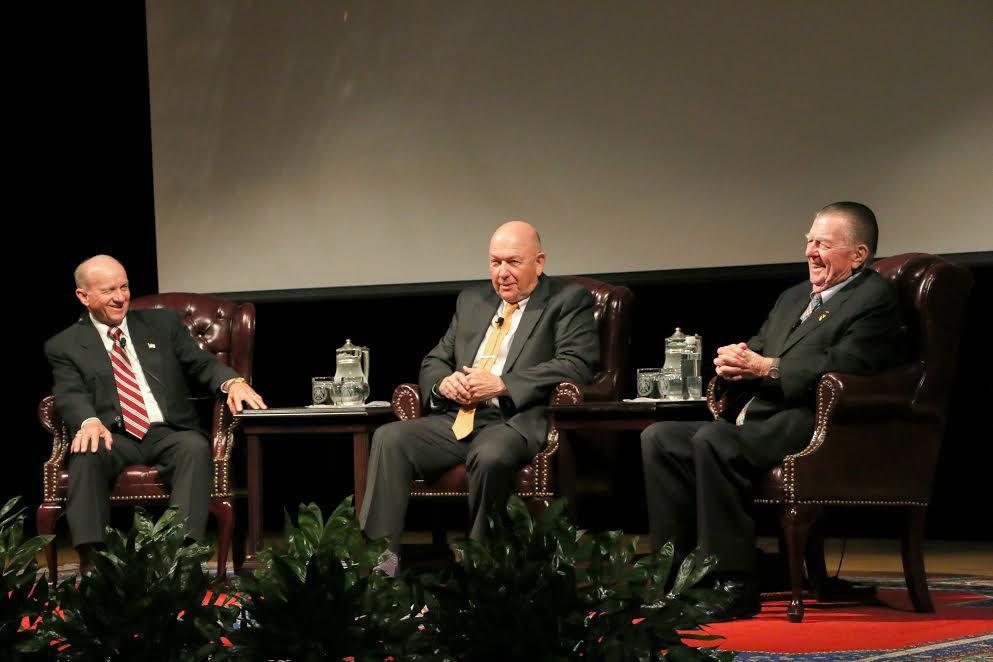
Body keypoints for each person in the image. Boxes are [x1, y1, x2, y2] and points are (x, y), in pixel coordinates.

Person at [640, 201, 905, 620]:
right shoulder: (793, 297)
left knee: (713, 438)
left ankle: (734, 583)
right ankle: (672, 576)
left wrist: (768, 367)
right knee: (660, 437)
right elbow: (759, 346)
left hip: (812, 420)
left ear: (859, 254)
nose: (810, 252)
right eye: (809, 241)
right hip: (761, 415)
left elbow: (848, 364)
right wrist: (735, 362)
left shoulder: (874, 298)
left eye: (823, 243)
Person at [359, 221, 599, 568]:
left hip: (515, 419)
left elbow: (576, 365)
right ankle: (380, 569)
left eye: (513, 262)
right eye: (495, 262)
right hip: (459, 418)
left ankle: (482, 570)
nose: (502, 273)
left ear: (539, 262)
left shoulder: (566, 300)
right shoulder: (472, 300)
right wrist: (444, 383)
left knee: (489, 455)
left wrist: (503, 384)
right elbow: (435, 359)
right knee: (389, 439)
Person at [44, 255, 266, 568]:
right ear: (84, 296)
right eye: (109, 291)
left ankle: (180, 558)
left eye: (124, 287)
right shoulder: (64, 344)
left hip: (168, 430)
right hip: (114, 434)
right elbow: (69, 392)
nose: (121, 297)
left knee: (194, 448)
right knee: (87, 452)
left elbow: (200, 364)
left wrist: (232, 382)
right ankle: (93, 563)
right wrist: (89, 421)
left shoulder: (161, 325)